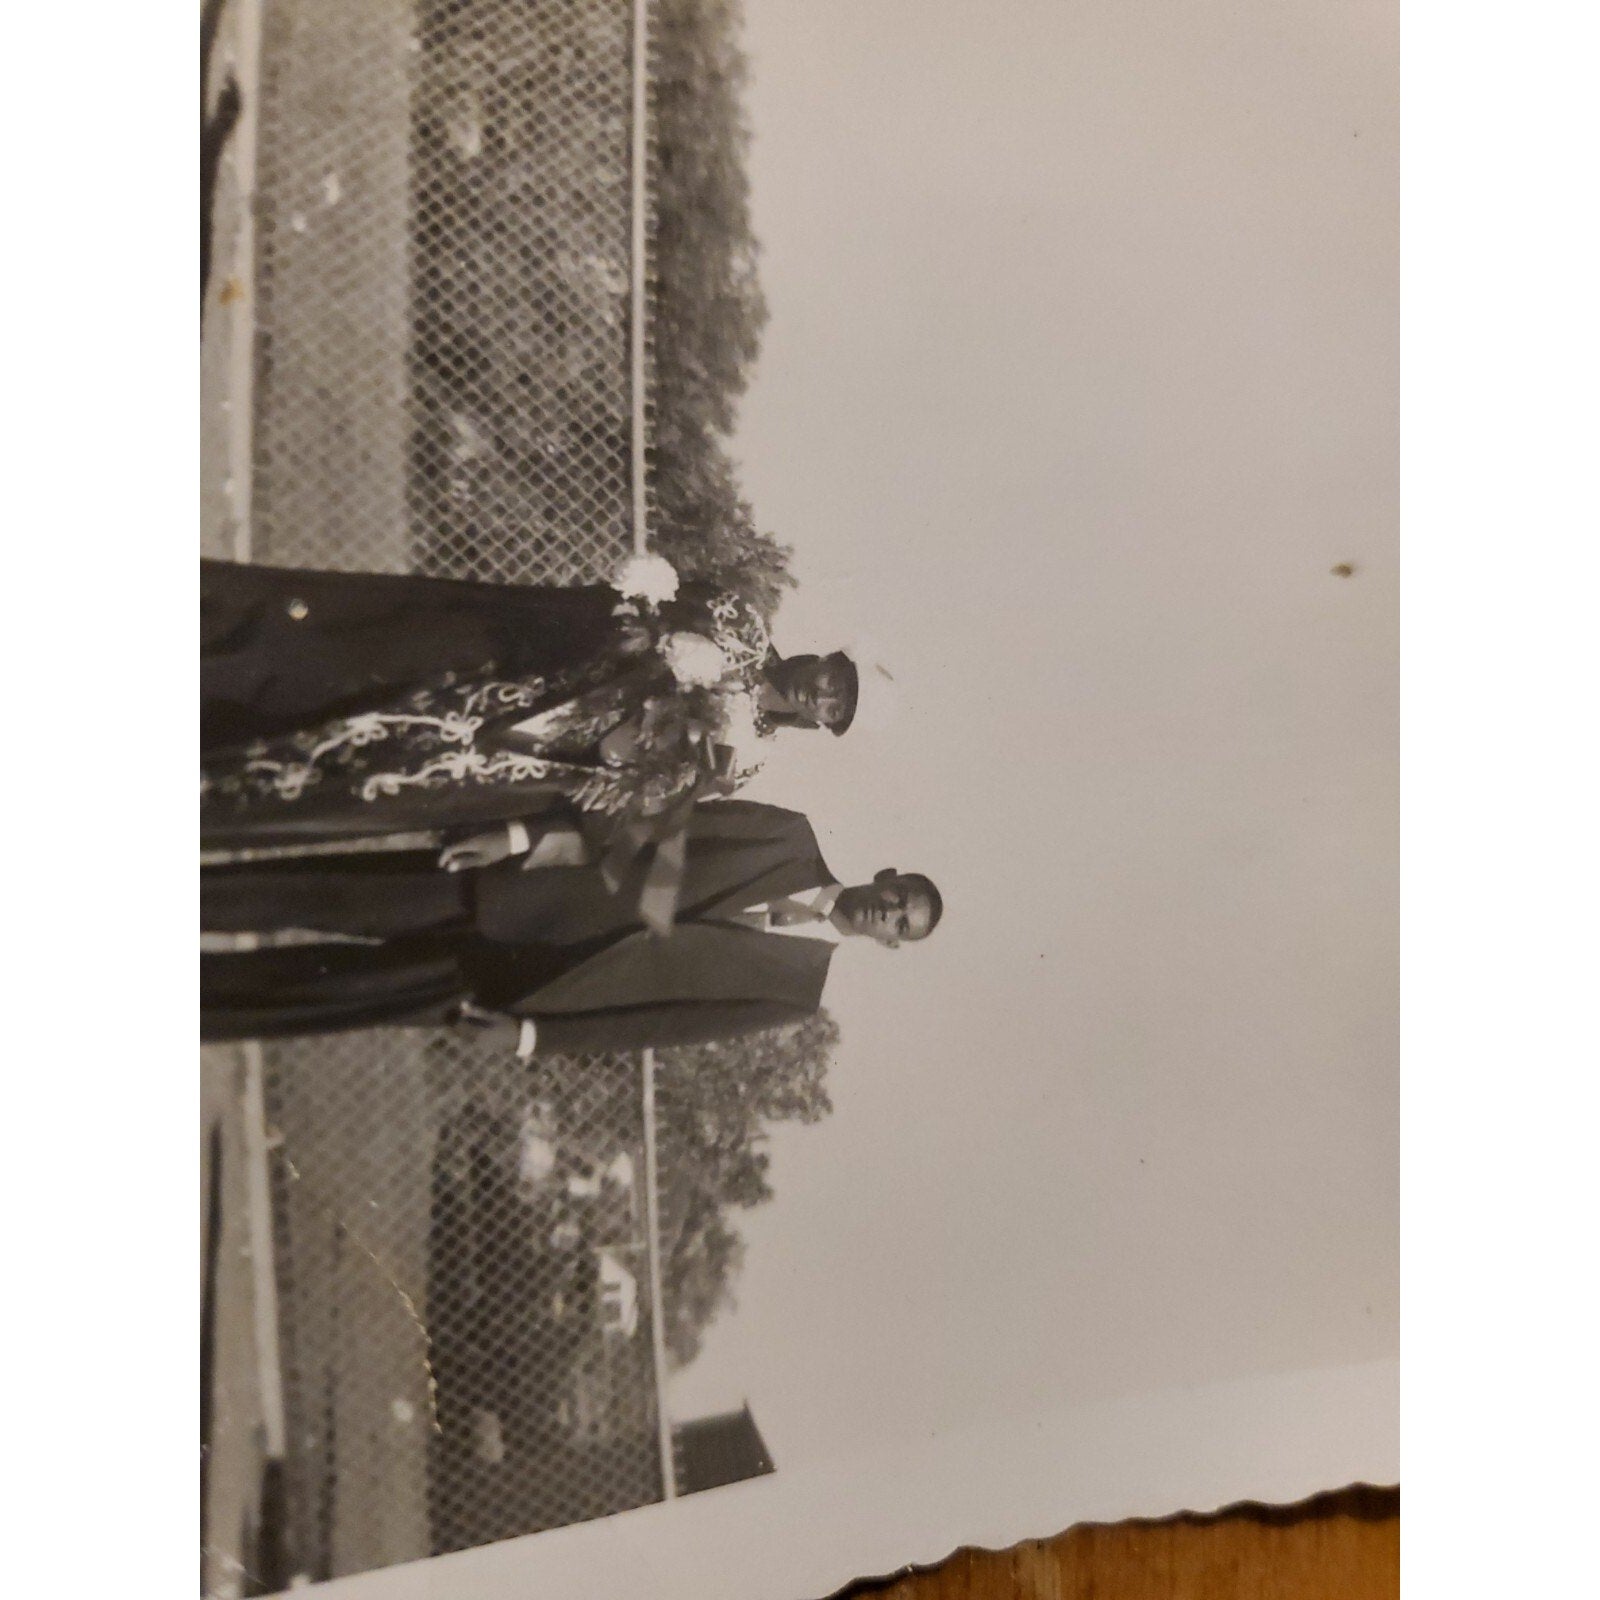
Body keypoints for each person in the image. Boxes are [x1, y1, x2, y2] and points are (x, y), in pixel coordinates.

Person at [200, 800, 943, 1052]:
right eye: (901, 895)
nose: (890, 912)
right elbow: (653, 823)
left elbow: (653, 1028)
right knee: (307, 894)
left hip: (529, 986)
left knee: (321, 995)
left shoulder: (793, 995)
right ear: (887, 874)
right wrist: (522, 837)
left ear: (889, 945)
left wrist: (533, 1037)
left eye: (901, 926)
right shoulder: (786, 836)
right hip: (512, 892)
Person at [201, 556, 863, 752]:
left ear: (822, 725)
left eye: (835, 707)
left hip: (513, 740)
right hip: (518, 649)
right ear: (827, 657)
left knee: (353, 734)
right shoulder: (739, 615)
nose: (823, 693)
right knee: (369, 651)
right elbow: (621, 602)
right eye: (837, 678)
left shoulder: (735, 754)